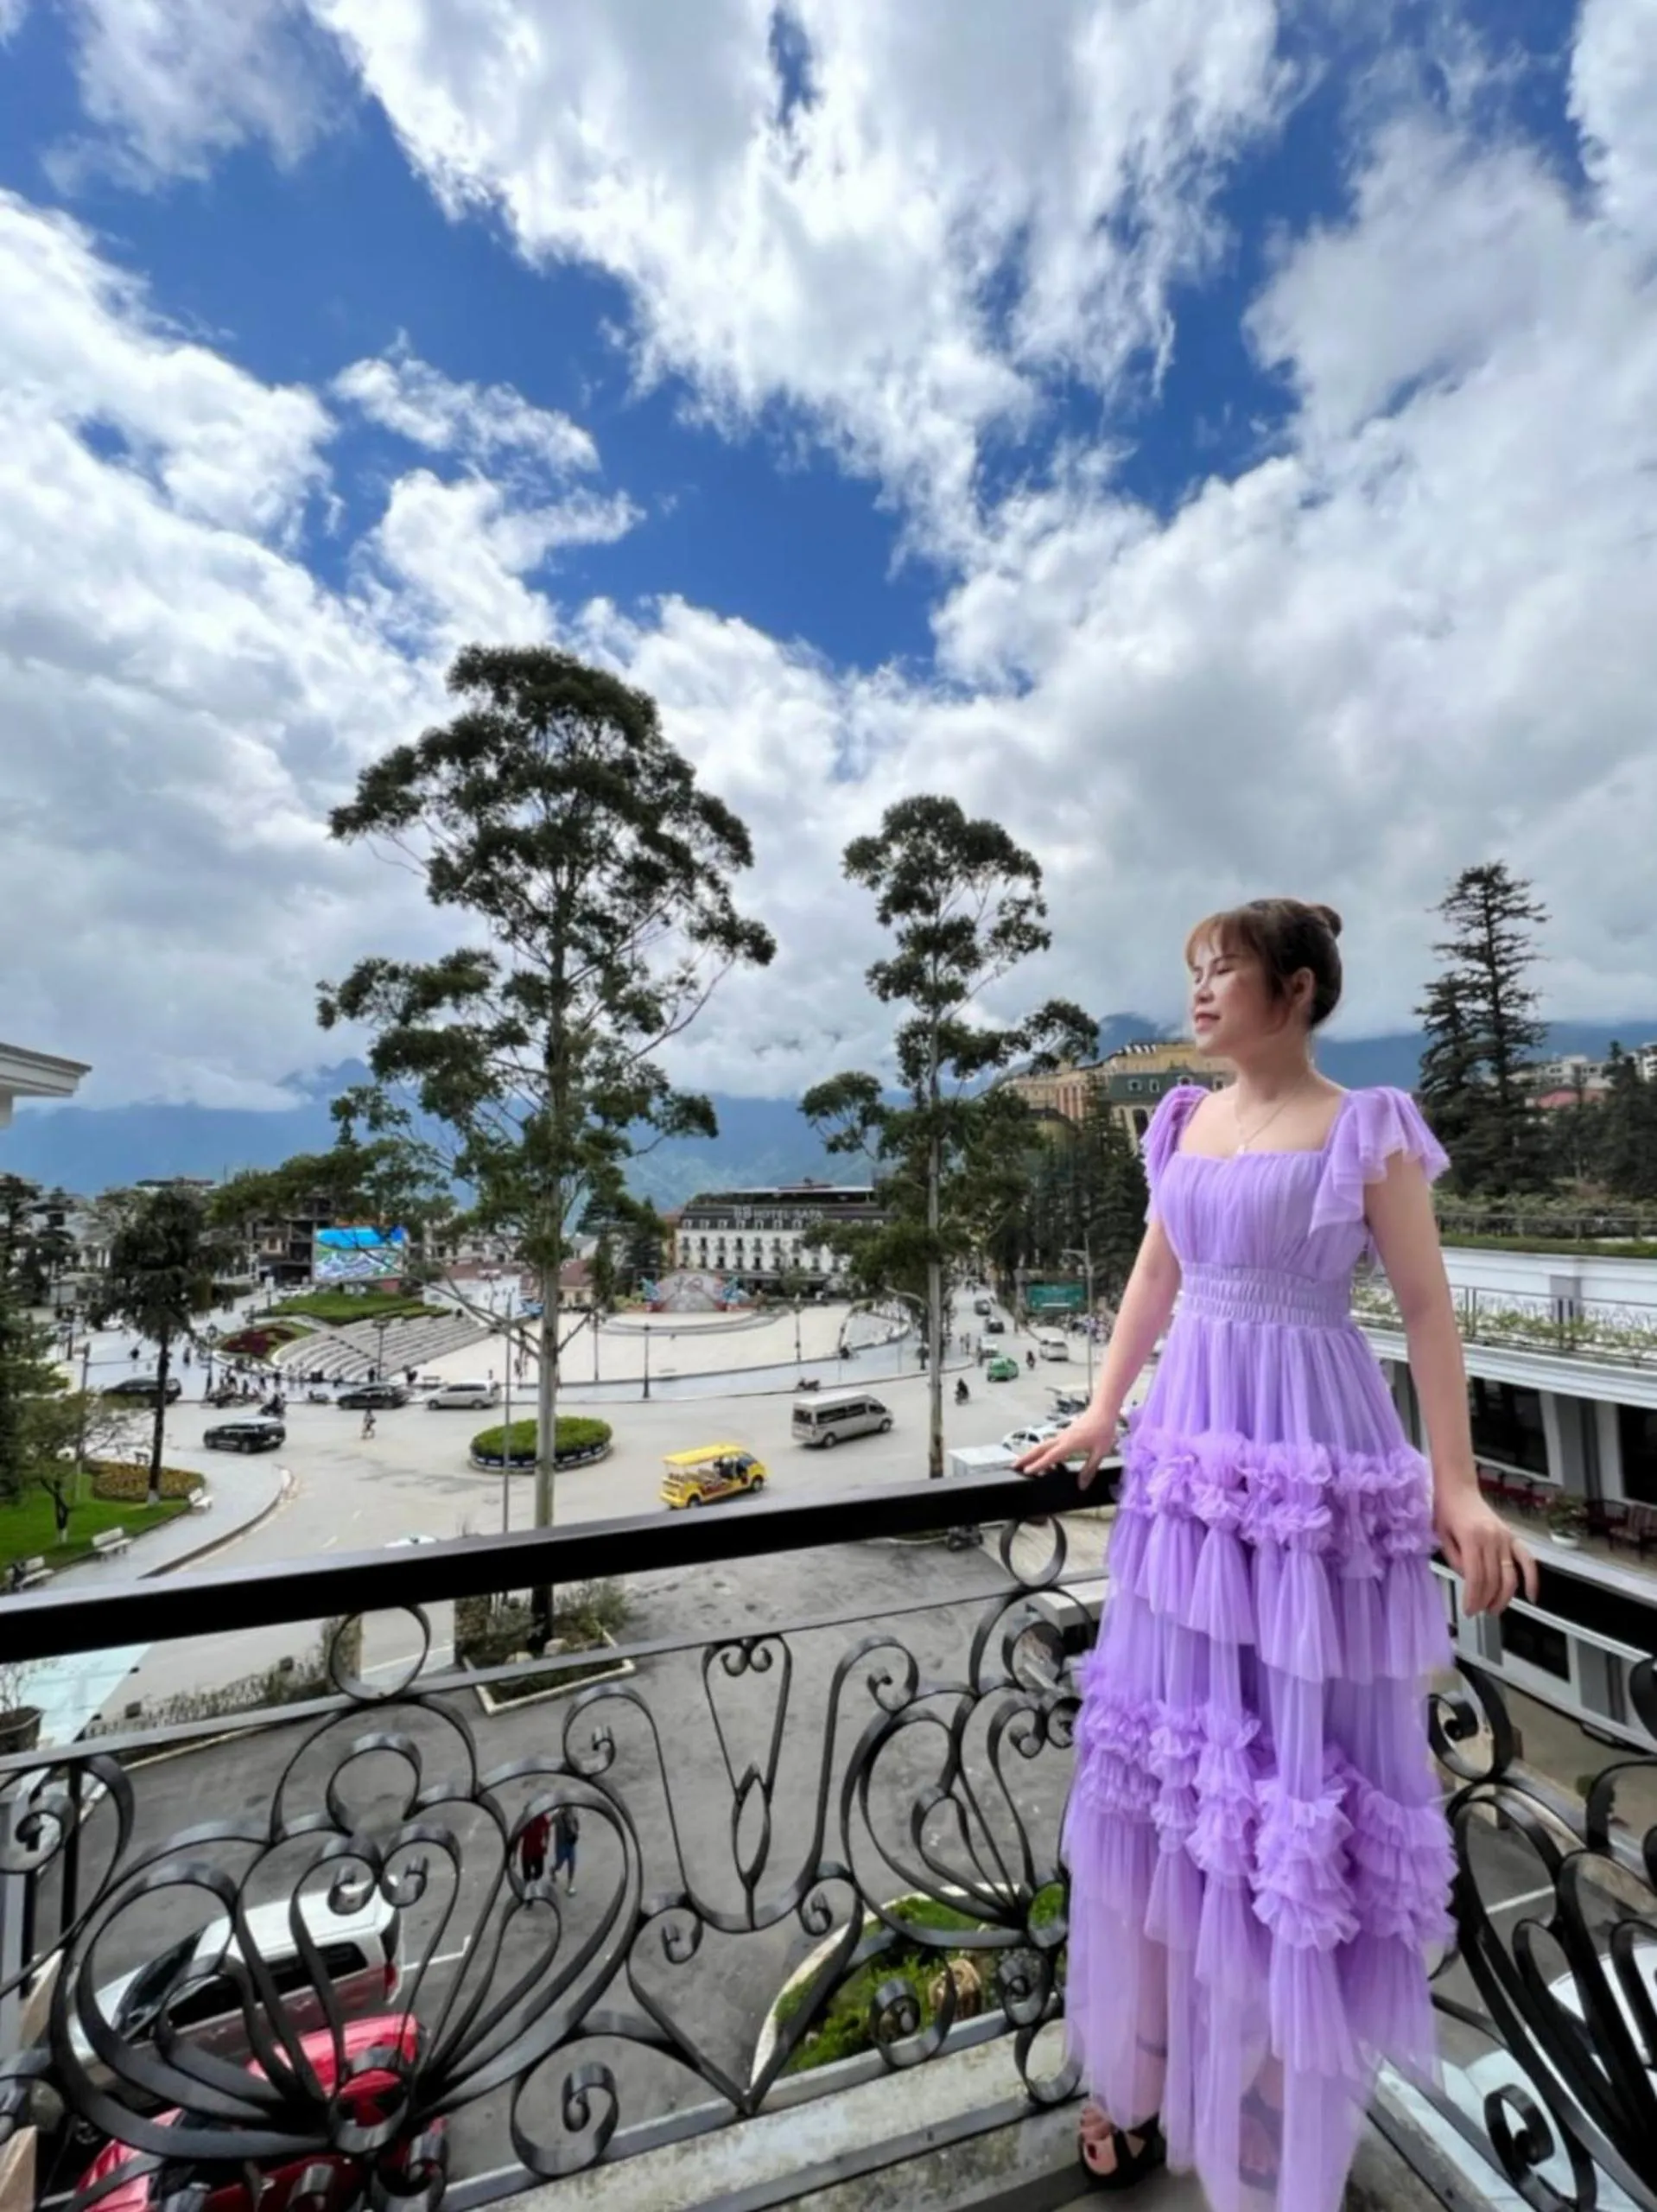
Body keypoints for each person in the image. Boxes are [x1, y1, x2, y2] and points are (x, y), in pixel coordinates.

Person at [1015, 898, 1536, 2209]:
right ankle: (1160, 2067)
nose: (1198, 992)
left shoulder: (1365, 1126)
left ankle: (1263, 2108)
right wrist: (1100, 1410)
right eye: (1195, 971)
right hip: (1191, 1460)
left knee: (1295, 1761)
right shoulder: (1183, 1121)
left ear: (1295, 991)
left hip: (1308, 1452)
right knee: (1183, 1759)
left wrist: (1457, 1487)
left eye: (1224, 971)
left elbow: (1425, 1308)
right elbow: (1154, 1279)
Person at [551, 1802, 580, 1893]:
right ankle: (553, 1870)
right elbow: (550, 1822)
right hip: (561, 1845)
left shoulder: (573, 1815)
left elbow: (578, 1826)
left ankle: (570, 1885)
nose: (569, 1808)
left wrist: (575, 1833)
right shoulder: (558, 1817)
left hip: (570, 1844)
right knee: (559, 1864)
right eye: (568, 1807)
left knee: (572, 1863)